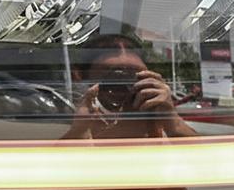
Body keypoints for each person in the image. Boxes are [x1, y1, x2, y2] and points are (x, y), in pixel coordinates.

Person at [61, 34, 198, 140]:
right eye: (113, 76)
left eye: (133, 76)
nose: (124, 87)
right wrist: (79, 131)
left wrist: (172, 121)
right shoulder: (69, 114)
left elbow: (201, 156)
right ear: (81, 76)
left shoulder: (156, 113)